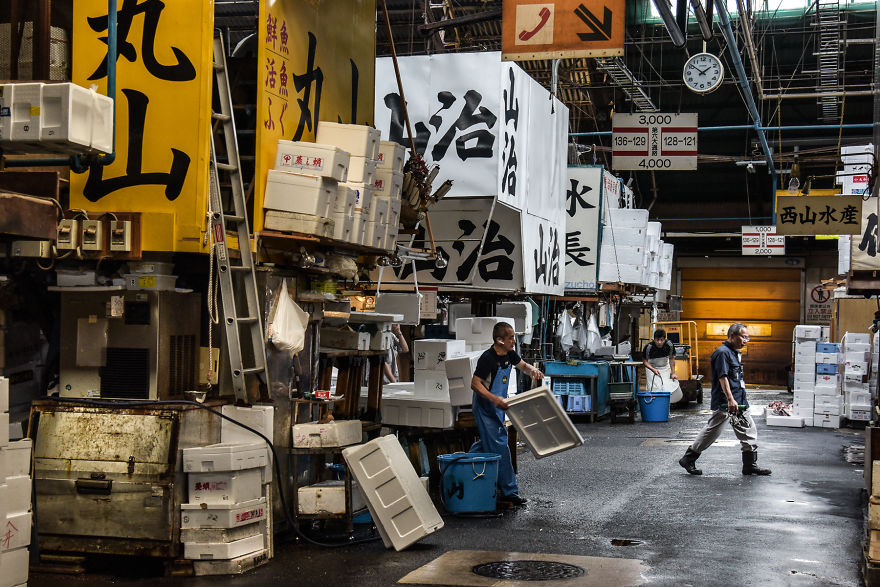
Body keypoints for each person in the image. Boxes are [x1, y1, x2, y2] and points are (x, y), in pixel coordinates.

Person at [678, 323, 771, 476]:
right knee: (712, 431)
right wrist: (730, 399)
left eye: (747, 338)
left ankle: (750, 465)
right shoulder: (722, 353)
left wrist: (739, 399)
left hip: (739, 401)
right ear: (732, 336)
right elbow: (723, 377)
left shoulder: (734, 352)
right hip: (727, 402)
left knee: (748, 430)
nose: (746, 341)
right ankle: (689, 458)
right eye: (743, 337)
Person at [470, 321, 544, 506]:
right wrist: (494, 399)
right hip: (486, 408)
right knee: (501, 445)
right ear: (499, 340)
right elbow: (475, 383)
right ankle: (509, 491)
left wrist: (532, 370)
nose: (514, 340)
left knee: (489, 444)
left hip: (499, 406)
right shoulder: (487, 358)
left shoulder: (510, 354)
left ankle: (465, 467)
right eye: (510, 337)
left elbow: (523, 365)